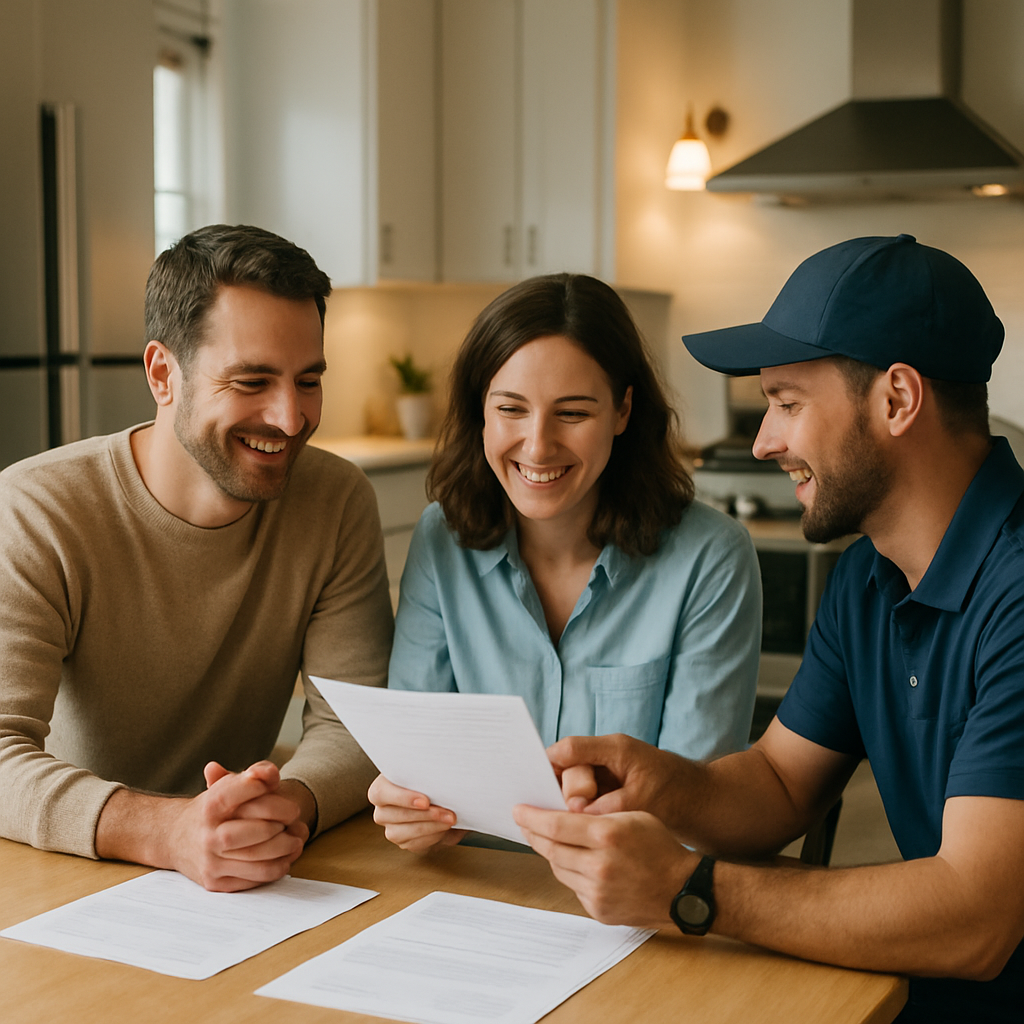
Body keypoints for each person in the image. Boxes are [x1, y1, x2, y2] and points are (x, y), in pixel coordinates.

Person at [513, 234, 1024, 1023]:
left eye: (787, 404)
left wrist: (690, 891)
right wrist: (657, 781)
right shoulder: (870, 576)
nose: (764, 442)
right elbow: (783, 784)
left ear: (897, 399)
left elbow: (977, 919)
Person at [0, 224, 394, 891]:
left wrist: (283, 807)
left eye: (307, 381)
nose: (290, 418)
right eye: (251, 381)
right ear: (163, 374)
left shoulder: (335, 500)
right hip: (62, 872)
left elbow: (355, 726)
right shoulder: (37, 510)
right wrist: (169, 831)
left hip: (246, 878)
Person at [369, 273, 762, 851]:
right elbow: (418, 760)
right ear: (481, 410)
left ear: (623, 410)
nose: (536, 446)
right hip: (477, 893)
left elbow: (692, 818)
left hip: (635, 903)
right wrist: (411, 811)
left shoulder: (712, 558)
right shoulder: (442, 537)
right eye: (511, 409)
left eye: (572, 414)